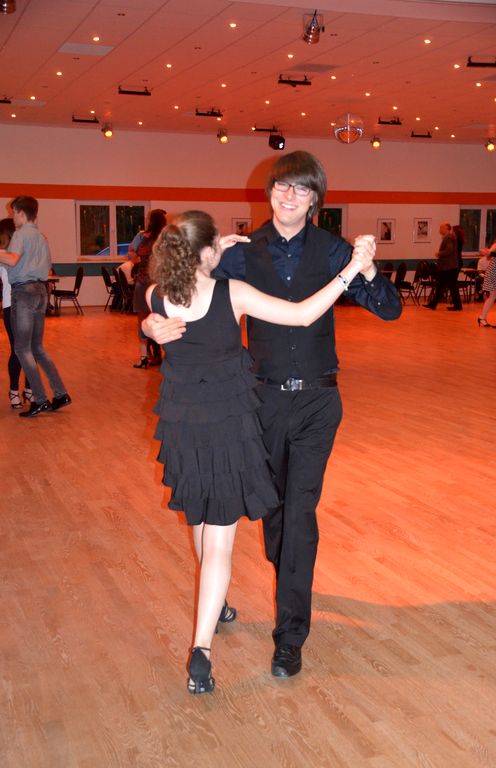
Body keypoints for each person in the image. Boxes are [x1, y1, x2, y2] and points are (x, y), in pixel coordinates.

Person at [144, 151, 402, 680]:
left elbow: (389, 308)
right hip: (259, 404)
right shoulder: (241, 254)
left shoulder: (334, 251)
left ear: (315, 199)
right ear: (269, 193)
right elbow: (175, 289)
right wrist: (148, 325)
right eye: (282, 186)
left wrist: (368, 268)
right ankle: (269, 580)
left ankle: (290, 636)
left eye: (300, 189)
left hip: (317, 401)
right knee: (276, 516)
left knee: (299, 513)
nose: (289, 196)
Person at [0, 196, 71, 417]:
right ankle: (60, 394)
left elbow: (13, 260)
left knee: (22, 349)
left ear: (21, 213)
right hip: (41, 291)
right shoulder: (40, 237)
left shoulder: (21, 234)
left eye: (13, 212)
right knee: (37, 348)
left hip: (24, 292)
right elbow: (45, 266)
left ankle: (39, 399)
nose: (12, 216)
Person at [0, 217, 33, 408]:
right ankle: (14, 390)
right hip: (11, 306)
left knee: (31, 349)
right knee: (18, 350)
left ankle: (29, 388)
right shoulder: (3, 255)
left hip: (28, 305)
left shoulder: (21, 252)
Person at [130, 209, 167, 368]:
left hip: (145, 282)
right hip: (159, 283)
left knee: (143, 320)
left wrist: (138, 255)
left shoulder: (142, 237)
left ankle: (145, 356)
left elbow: (132, 255)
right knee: (160, 318)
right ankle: (158, 355)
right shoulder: (166, 237)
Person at [423, 222, 462, 311]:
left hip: (449, 267)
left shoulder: (449, 237)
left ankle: (435, 304)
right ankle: (435, 304)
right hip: (450, 266)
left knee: (445, 286)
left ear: (446, 229)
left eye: (441, 228)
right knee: (445, 286)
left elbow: (449, 249)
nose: (439, 230)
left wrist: (439, 253)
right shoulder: (450, 237)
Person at [478, 215, 496, 328]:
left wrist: (488, 252)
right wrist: (488, 252)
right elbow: (490, 252)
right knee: (494, 295)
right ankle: (482, 318)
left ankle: (482, 318)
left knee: (494, 295)